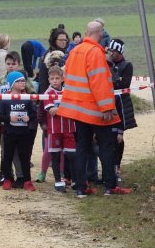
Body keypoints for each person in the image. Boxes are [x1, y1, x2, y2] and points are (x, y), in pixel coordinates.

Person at [57, 21, 131, 198]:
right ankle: (110, 186)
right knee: (107, 146)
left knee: (82, 147)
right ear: (100, 33)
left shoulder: (75, 50)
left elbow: (69, 76)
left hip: (77, 108)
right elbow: (99, 82)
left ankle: (81, 188)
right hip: (94, 109)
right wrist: (107, 108)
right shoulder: (95, 52)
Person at [0, 71, 37, 192]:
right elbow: (0, 115)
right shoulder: (5, 99)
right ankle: (7, 179)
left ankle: (27, 181)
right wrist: (9, 118)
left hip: (24, 133)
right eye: (18, 81)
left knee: (25, 157)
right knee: (7, 156)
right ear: (11, 84)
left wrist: (29, 118)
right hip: (9, 133)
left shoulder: (27, 98)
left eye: (23, 81)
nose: (22, 83)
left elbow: (33, 113)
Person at [42, 65, 77, 193]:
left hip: (69, 128)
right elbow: (51, 111)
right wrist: (65, 108)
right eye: (52, 79)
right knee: (55, 157)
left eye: (57, 78)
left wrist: (61, 109)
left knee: (72, 155)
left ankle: (75, 180)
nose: (55, 81)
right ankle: (58, 181)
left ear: (62, 79)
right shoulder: (47, 93)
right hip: (54, 130)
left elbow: (74, 107)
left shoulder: (68, 91)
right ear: (49, 80)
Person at [106, 38, 136, 181]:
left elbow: (124, 84)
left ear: (120, 52)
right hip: (108, 102)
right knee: (107, 136)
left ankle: (117, 166)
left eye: (113, 51)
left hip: (122, 105)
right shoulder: (106, 63)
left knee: (118, 137)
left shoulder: (127, 65)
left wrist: (113, 72)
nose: (111, 53)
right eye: (109, 51)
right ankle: (108, 167)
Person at [37, 28, 69, 94]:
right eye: (61, 40)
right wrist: (44, 96)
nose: (63, 42)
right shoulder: (48, 55)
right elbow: (43, 78)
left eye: (65, 40)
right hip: (49, 92)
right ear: (54, 40)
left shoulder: (68, 54)